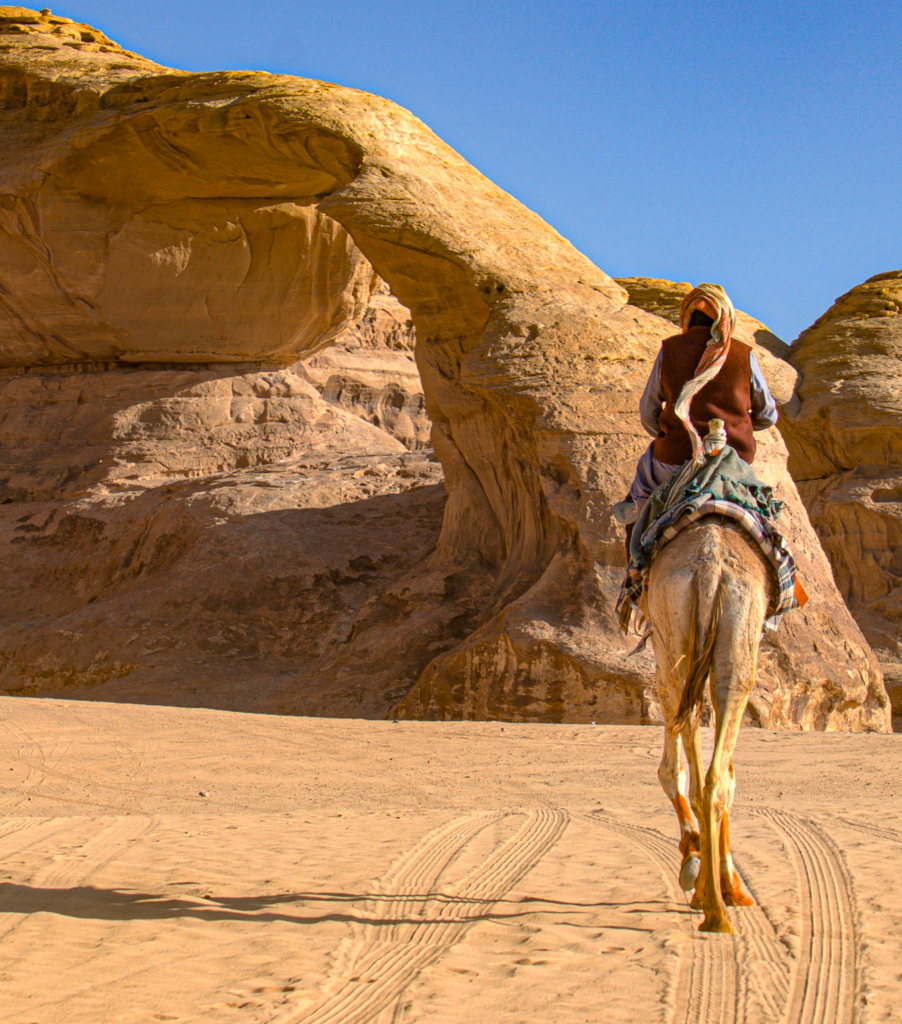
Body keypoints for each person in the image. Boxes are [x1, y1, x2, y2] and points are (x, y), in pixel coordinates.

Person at [618, 283, 779, 548]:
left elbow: (648, 412)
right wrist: (741, 426)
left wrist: (671, 433)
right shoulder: (744, 354)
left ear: (686, 317)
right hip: (732, 458)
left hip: (674, 458)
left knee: (640, 503)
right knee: (766, 513)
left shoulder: (669, 349)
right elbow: (768, 415)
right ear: (725, 317)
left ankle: (634, 572)